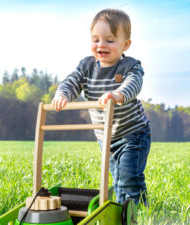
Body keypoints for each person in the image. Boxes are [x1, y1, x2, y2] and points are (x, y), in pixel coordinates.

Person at [52, 8, 151, 206]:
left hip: (133, 134)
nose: (101, 45)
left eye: (109, 40)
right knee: (118, 180)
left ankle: (138, 213)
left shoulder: (130, 66)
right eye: (96, 39)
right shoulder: (86, 66)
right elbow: (73, 81)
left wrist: (119, 94)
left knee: (129, 177)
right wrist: (63, 94)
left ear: (126, 44)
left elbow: (134, 82)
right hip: (105, 138)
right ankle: (121, 212)